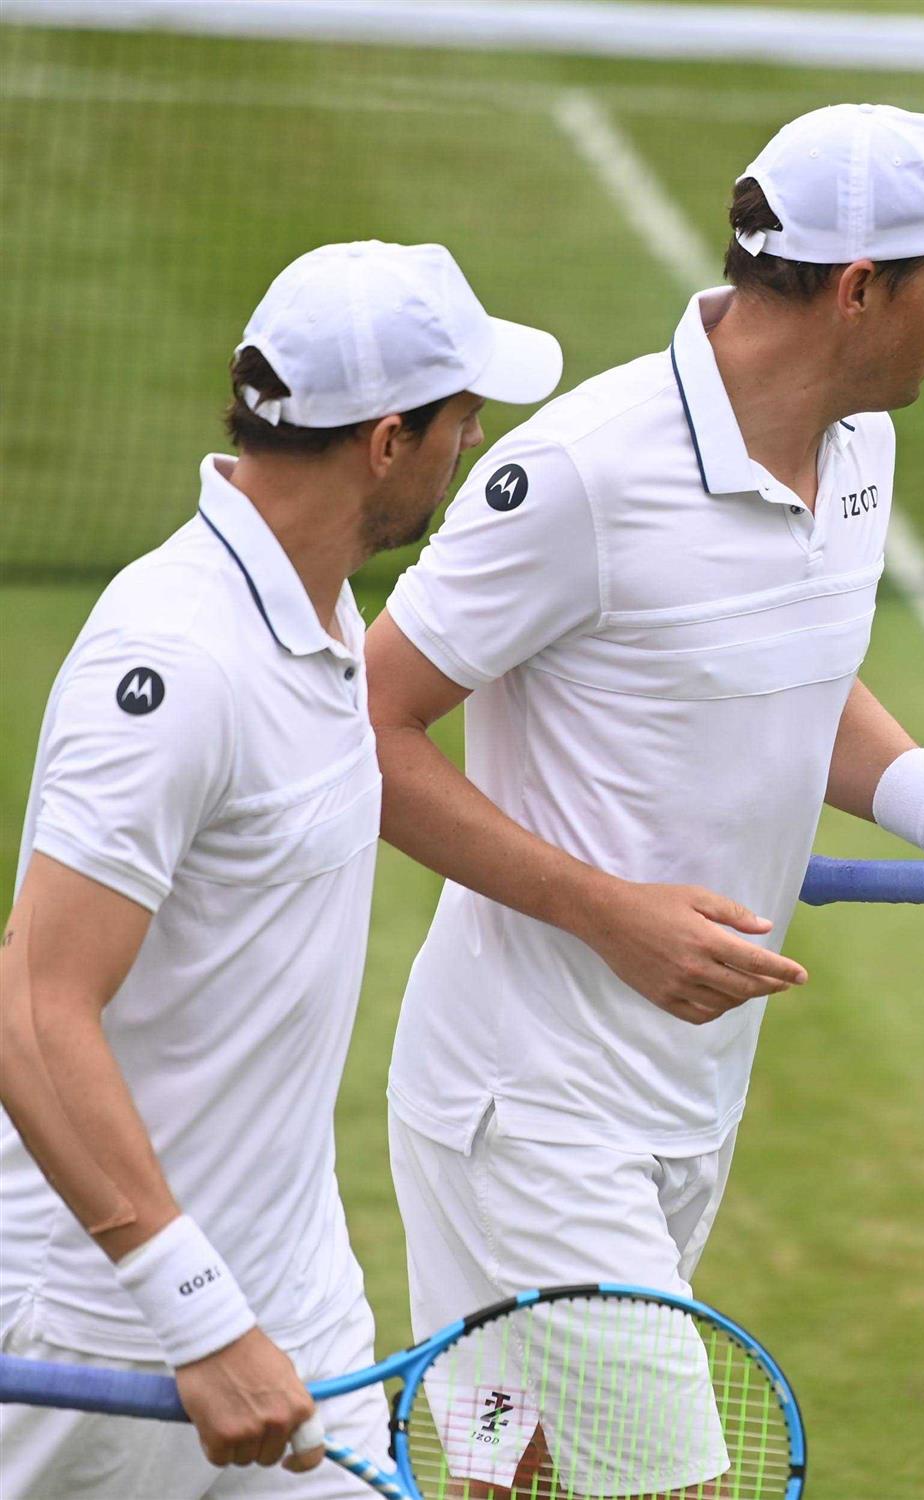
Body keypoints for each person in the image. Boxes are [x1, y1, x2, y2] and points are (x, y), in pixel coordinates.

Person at [366, 105, 924, 1497]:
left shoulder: (859, 448)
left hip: (686, 1105)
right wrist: (609, 912)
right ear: (860, 288)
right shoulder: (579, 474)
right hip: (530, 1110)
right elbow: (366, 727)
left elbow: (794, 677)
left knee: (518, 1487)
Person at [0, 240, 562, 1497]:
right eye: (462, 416)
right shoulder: (174, 661)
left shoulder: (324, 610)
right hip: (107, 1335)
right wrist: (199, 1316)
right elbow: (32, 1009)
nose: (476, 438)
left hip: (298, 1312)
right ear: (387, 441)